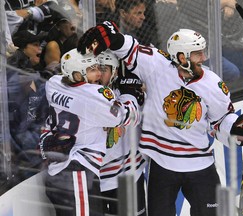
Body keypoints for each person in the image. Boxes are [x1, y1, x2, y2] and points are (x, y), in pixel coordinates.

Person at [77, 21, 243, 216]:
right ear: (182, 57)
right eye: (198, 53)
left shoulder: (213, 83)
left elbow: (220, 121)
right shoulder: (157, 66)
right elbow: (131, 49)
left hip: (199, 163)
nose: (204, 57)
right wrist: (113, 37)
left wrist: (236, 129)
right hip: (161, 163)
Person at [39, 48, 143, 216]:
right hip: (76, 172)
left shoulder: (54, 84)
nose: (99, 74)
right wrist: (129, 94)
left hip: (59, 171)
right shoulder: (96, 96)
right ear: (78, 75)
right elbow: (128, 117)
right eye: (92, 70)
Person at [96, 50, 147, 215]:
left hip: (128, 176)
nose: (98, 73)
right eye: (95, 68)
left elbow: (133, 115)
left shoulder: (126, 95)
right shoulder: (84, 97)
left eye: (104, 69)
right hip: (97, 179)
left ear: (115, 72)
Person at [7, 29, 49, 185]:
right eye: (35, 45)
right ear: (23, 48)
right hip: (21, 142)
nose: (40, 50)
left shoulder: (26, 69)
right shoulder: (16, 71)